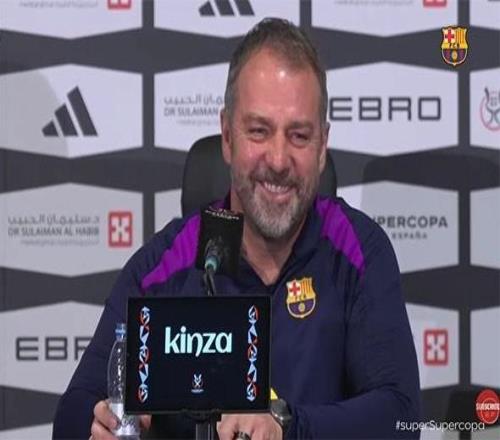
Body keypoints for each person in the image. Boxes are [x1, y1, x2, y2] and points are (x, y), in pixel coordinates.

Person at [53, 18, 420, 440]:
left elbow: (401, 415)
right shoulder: (167, 266)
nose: (278, 160)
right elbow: (74, 412)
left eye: (299, 136)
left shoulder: (358, 250)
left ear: (323, 147)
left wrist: (287, 428)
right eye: (259, 131)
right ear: (227, 136)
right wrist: (100, 424)